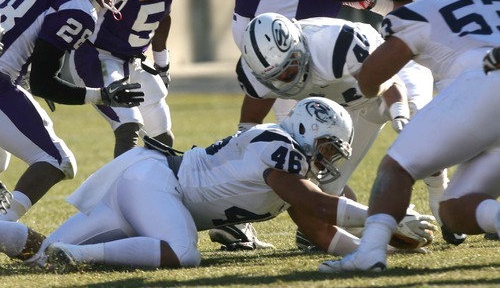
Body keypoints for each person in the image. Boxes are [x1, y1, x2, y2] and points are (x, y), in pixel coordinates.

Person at [0, 97, 435, 270]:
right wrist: (391, 216)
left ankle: (12, 234)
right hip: (156, 184)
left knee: (38, 256)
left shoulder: (289, 165)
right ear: (304, 131)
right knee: (184, 253)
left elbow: (320, 230)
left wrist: (380, 247)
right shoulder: (279, 147)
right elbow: (320, 206)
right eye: (324, 147)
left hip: (150, 191)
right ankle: (77, 256)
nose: (326, 159)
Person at [213, 0, 416, 250]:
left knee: (315, 143)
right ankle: (302, 222)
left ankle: (330, 215)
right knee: (305, 144)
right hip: (278, 34)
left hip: (292, 26)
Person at [318, 0, 500, 273]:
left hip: (483, 85)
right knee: (454, 211)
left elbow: (372, 76)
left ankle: (370, 252)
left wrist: (372, 88)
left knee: (398, 168)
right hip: (484, 89)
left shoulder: (421, 13)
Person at [340, 0, 494, 244]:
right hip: (483, 48)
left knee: (402, 162)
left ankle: (374, 248)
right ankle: (469, 213)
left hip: (465, 67)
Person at [0, 0, 144, 222]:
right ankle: (4, 227)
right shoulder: (79, 9)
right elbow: (44, 83)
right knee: (57, 161)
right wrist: (101, 95)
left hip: (7, 76)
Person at [66, 0, 197, 157]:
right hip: (97, 56)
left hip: (134, 60)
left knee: (162, 136)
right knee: (129, 126)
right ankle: (121, 193)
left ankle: (154, 190)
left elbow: (162, 14)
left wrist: (163, 64)